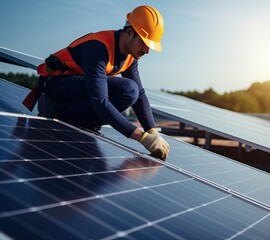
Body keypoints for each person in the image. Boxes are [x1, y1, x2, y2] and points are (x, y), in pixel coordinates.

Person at [22, 5, 170, 160]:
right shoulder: (98, 47)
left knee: (131, 91)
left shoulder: (130, 56)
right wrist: (141, 137)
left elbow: (140, 94)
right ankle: (59, 110)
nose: (147, 50)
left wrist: (152, 130)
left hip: (78, 88)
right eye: (144, 43)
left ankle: (82, 120)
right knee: (127, 89)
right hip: (56, 84)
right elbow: (100, 100)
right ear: (129, 32)